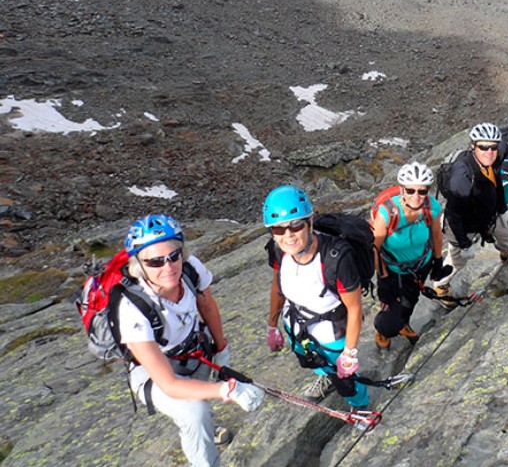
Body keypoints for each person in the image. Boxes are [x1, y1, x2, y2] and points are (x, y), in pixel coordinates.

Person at [120, 214, 265, 467]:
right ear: (139, 266)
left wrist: (221, 347)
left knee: (200, 407)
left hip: (194, 349)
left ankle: (205, 429)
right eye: (155, 261)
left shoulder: (189, 269)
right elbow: (169, 384)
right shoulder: (133, 309)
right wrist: (227, 390)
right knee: (194, 412)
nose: (168, 267)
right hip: (155, 371)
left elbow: (206, 305)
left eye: (173, 256)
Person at [263, 185, 369, 408]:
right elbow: (277, 285)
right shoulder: (279, 249)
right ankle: (326, 377)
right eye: (279, 229)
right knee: (310, 359)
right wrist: (273, 325)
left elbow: (354, 307)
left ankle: (360, 406)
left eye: (296, 225)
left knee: (347, 382)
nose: (288, 235)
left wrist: (349, 352)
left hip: (330, 330)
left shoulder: (336, 257)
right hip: (296, 323)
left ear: (309, 222)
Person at [433, 122, 508, 310]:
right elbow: (453, 214)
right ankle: (440, 287)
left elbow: (497, 185)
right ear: (473, 146)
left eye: (493, 147)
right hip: (464, 224)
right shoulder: (461, 176)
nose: (489, 152)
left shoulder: (495, 159)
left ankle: (506, 251)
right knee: (457, 260)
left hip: (488, 213)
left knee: (505, 229)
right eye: (483, 147)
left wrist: (502, 209)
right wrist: (464, 243)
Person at [371, 162, 452, 350]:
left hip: (420, 265)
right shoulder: (387, 213)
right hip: (393, 270)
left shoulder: (431, 207)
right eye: (410, 190)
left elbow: (436, 234)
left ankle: (404, 322)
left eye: (422, 191)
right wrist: (383, 278)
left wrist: (437, 261)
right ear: (402, 189)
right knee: (390, 319)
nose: (416, 196)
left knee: (411, 299)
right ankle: (384, 331)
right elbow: (374, 248)